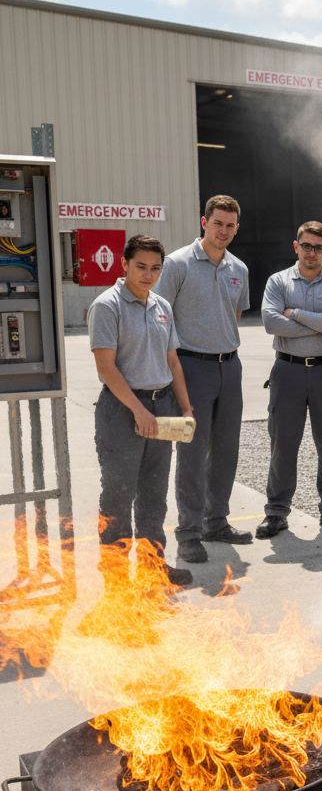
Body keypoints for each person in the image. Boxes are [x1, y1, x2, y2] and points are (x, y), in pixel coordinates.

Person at [87, 235, 194, 585]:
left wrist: (186, 407)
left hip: (160, 407)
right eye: (141, 267)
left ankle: (153, 571)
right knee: (118, 498)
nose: (148, 275)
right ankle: (117, 582)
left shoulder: (162, 306)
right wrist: (138, 411)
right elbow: (106, 368)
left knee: (153, 495)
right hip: (121, 411)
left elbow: (173, 362)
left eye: (155, 269)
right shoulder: (107, 305)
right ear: (124, 264)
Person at [154, 194, 251, 564]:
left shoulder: (238, 269)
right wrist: (172, 371)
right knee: (193, 452)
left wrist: (222, 352)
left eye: (230, 225)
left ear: (236, 228)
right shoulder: (177, 265)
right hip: (191, 368)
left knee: (226, 450)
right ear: (203, 222)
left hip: (230, 366)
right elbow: (159, 318)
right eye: (217, 223)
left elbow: (233, 318)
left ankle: (217, 522)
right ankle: (189, 533)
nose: (223, 231)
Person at [257, 221, 322, 538]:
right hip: (288, 372)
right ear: (295, 246)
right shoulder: (278, 281)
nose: (311, 252)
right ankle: (276, 512)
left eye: (318, 247)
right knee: (283, 445)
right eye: (306, 245)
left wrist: (295, 314)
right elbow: (272, 323)